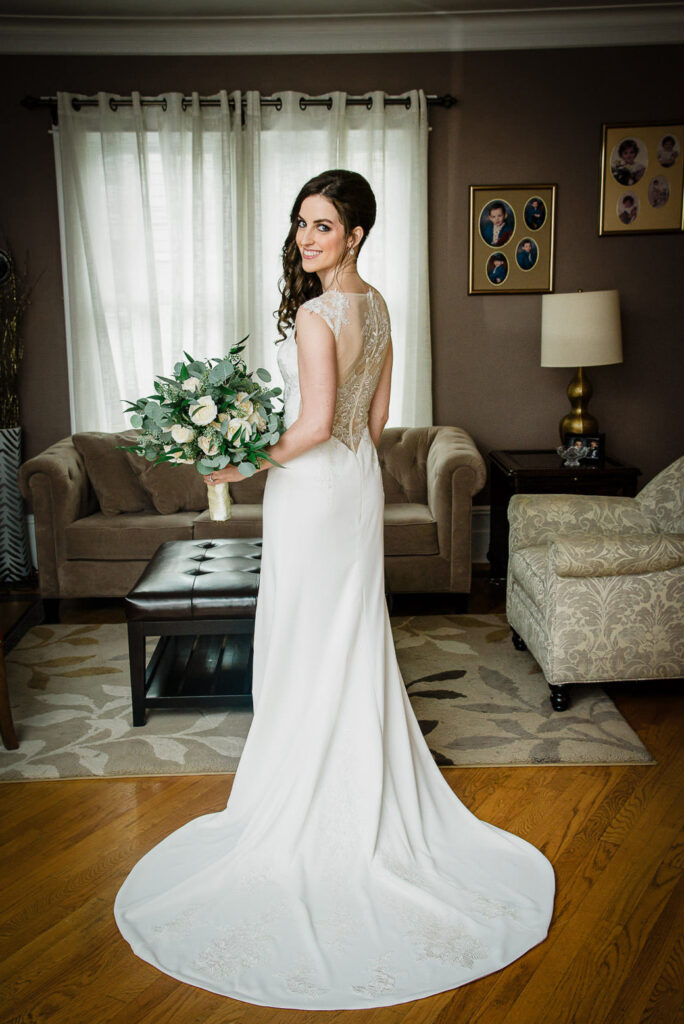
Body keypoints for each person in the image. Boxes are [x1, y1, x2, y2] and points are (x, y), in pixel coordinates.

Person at [114, 169, 555, 1010]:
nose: (306, 238)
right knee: (347, 635)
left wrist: (240, 460)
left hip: (315, 489)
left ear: (354, 233)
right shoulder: (381, 305)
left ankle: (313, 797)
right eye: (301, 224)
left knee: (309, 635)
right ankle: (353, 781)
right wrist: (297, 440)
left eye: (322, 226)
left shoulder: (320, 315)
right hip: (353, 487)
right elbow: (374, 424)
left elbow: (312, 425)